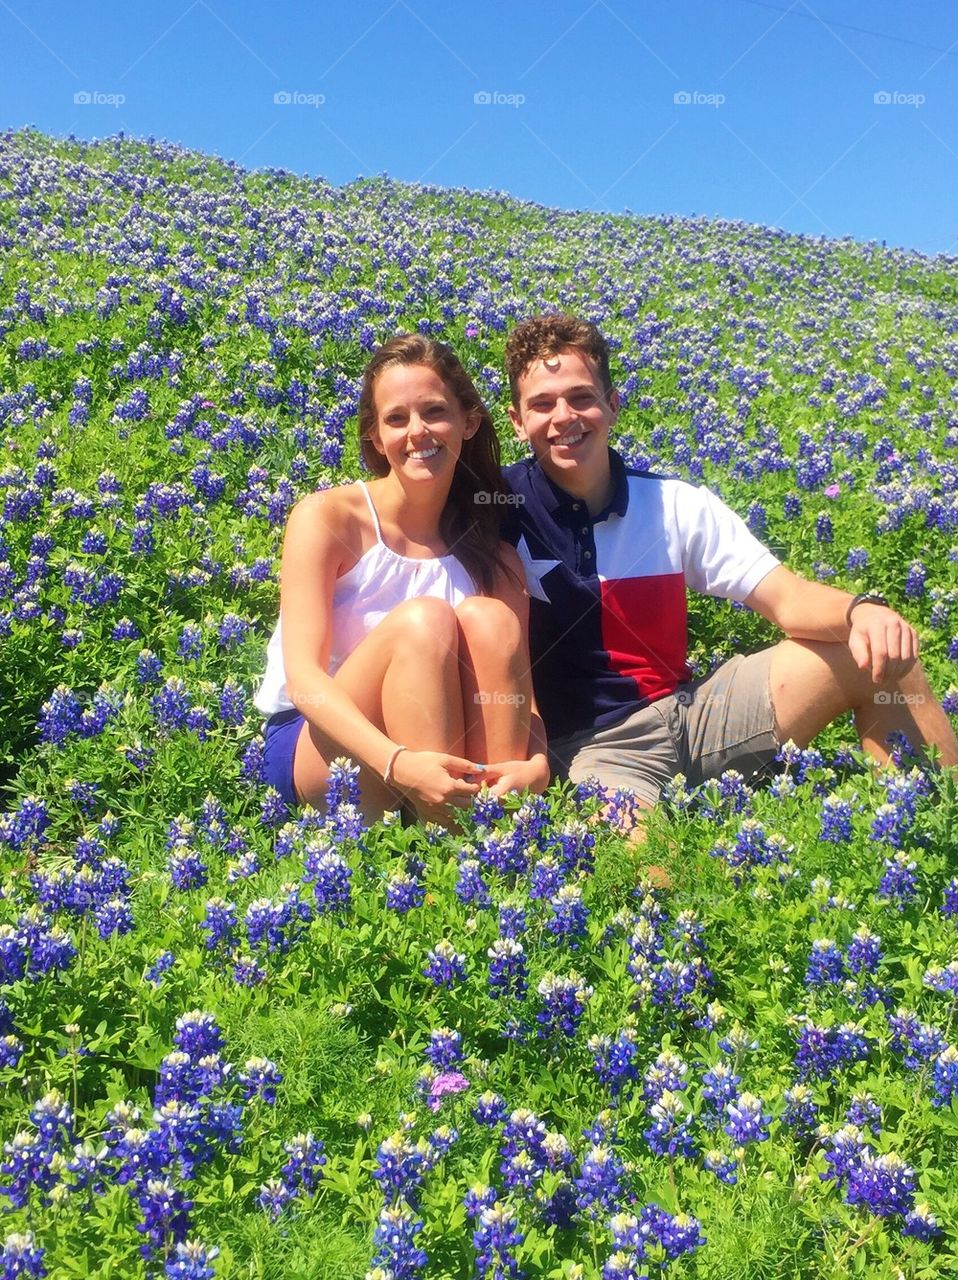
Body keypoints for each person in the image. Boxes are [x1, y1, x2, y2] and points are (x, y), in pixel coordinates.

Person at [500, 312, 958, 813]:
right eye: (542, 404)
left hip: (694, 714)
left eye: (581, 397)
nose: (564, 416)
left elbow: (787, 597)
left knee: (880, 650)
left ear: (613, 404)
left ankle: (933, 822)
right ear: (517, 422)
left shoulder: (674, 503)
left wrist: (862, 609)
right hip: (597, 751)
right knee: (646, 861)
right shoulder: (493, 511)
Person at [254, 334, 549, 823]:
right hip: (326, 748)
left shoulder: (493, 556)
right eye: (396, 418)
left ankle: (489, 833)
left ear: (469, 421)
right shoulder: (328, 518)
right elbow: (303, 679)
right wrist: (398, 763)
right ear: (375, 436)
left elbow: (522, 698)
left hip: (444, 755)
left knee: (491, 619)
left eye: (434, 412)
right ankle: (446, 839)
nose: (417, 431)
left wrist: (537, 765)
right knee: (424, 622)